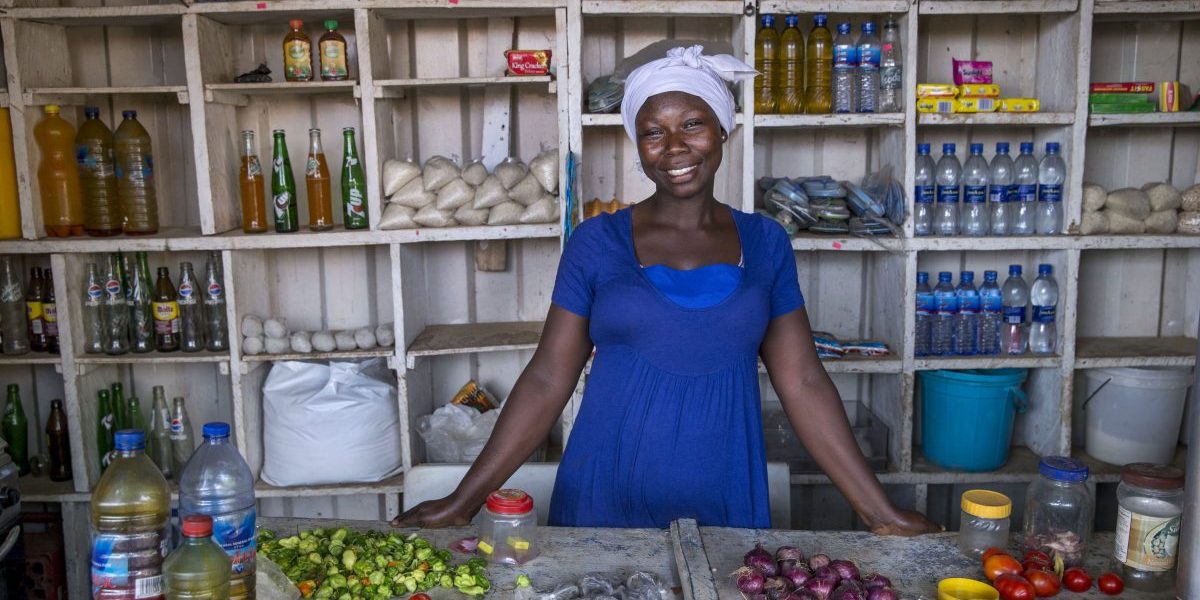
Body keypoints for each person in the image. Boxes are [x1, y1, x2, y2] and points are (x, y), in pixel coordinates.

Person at [395, 46, 939, 535]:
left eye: (693, 124)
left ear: (722, 129)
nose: (674, 147)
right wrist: (463, 501)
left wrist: (880, 513)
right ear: (639, 145)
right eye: (653, 132)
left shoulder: (765, 243)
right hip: (603, 498)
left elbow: (803, 382)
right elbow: (546, 378)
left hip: (725, 499)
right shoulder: (596, 242)